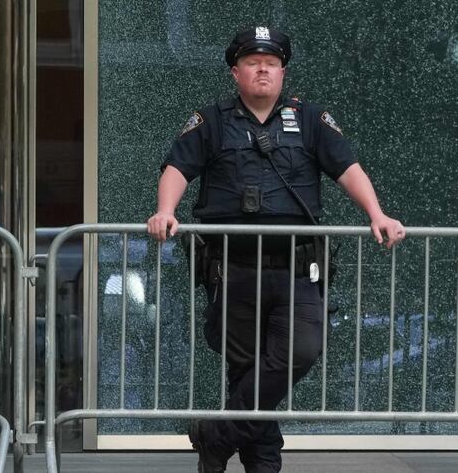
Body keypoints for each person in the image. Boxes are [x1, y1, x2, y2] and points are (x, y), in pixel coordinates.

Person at [147, 25, 404, 473]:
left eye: (271, 62)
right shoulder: (211, 121)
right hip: (234, 265)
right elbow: (176, 168)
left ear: (283, 72)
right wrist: (165, 210)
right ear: (235, 71)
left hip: (296, 268)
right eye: (252, 62)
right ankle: (262, 467)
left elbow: (348, 168)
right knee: (246, 368)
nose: (262, 69)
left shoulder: (309, 120)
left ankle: (216, 435)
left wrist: (376, 214)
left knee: (300, 351)